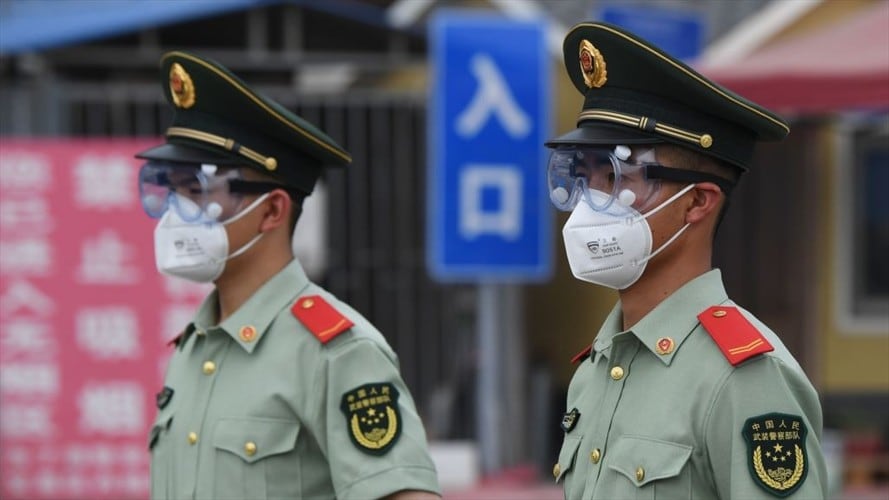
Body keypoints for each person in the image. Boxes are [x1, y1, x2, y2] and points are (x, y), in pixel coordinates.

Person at [137, 51, 441, 500]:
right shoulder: (195, 346)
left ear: (272, 210)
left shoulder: (337, 352)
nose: (176, 214)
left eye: (196, 192)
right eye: (171, 191)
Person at [546, 23, 828, 499]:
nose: (590, 201)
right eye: (584, 173)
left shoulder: (743, 378)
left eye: (616, 175)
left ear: (698, 202)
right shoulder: (596, 369)